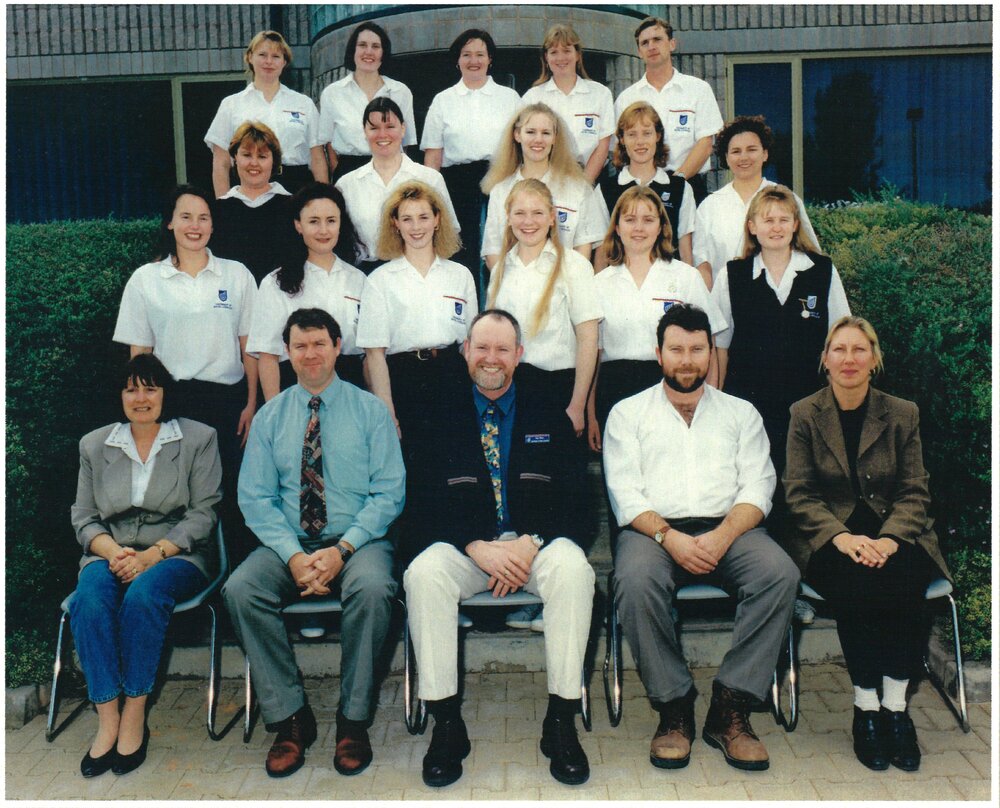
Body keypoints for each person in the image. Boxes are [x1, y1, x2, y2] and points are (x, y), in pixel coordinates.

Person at [603, 303, 800, 772]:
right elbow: (625, 492)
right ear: (658, 354)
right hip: (652, 531)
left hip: (729, 528)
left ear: (712, 352)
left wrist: (723, 534)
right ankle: (673, 708)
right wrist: (670, 537)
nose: (687, 360)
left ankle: (730, 708)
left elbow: (759, 486)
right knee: (633, 582)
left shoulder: (741, 413)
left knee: (780, 574)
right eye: (677, 349)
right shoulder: (627, 413)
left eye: (697, 349)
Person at [404, 309, 596, 788]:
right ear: (466, 351)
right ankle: (446, 723)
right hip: (468, 551)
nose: (492, 359)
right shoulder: (436, 411)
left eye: (503, 349)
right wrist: (475, 546)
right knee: (424, 573)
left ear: (519, 356)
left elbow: (580, 505)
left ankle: (561, 719)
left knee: (574, 570)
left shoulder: (547, 409)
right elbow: (419, 508)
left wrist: (531, 544)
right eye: (482, 348)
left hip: (534, 547)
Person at [223, 307, 405, 779]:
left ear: (338, 347)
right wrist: (294, 555)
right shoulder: (270, 417)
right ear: (287, 352)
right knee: (241, 590)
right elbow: (255, 498)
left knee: (372, 589)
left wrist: (342, 550)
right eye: (300, 346)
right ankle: (289, 718)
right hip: (289, 544)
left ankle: (353, 720)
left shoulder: (370, 411)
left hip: (357, 542)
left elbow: (389, 492)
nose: (310, 354)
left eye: (319, 343)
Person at [784, 316, 951, 773]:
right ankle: (865, 709)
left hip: (896, 531)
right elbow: (798, 493)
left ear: (874, 359)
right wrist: (840, 537)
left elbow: (915, 490)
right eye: (839, 349)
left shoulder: (902, 413)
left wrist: (893, 540)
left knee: (902, 584)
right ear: (825, 359)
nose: (849, 359)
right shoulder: (804, 413)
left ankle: (896, 710)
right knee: (857, 585)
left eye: (860, 350)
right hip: (829, 535)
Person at [70, 354, 222, 778]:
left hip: (177, 554)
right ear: (118, 395)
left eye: (151, 388)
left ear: (165, 393)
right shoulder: (94, 445)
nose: (141, 398)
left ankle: (135, 709)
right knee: (91, 598)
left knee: (144, 593)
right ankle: (107, 719)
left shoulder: (197, 438)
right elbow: (84, 516)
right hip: (110, 552)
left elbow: (204, 513)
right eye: (131, 388)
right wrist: (112, 552)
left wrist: (151, 556)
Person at [113, 184, 257, 562]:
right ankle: (185, 580)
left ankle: (232, 593)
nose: (195, 226)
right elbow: (139, 359)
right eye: (186, 216)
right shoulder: (145, 279)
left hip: (227, 404)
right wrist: (146, 414)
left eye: (204, 218)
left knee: (230, 496)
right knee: (176, 502)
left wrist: (253, 404)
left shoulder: (237, 275)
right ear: (170, 223)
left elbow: (251, 349)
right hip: (170, 404)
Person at [356, 181, 477, 547]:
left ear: (438, 219)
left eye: (424, 216)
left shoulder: (460, 275)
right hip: (404, 381)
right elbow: (374, 353)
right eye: (406, 218)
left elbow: (470, 344)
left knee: (455, 470)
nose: (416, 226)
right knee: (411, 475)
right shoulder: (380, 280)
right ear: (395, 224)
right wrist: (387, 411)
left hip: (452, 378)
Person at [712, 184, 850, 477]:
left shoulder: (822, 271)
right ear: (752, 227)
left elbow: (840, 340)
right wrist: (715, 400)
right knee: (755, 480)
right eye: (768, 220)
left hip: (808, 403)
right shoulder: (731, 275)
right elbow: (719, 348)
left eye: (784, 220)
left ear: (796, 224)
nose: (777, 227)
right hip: (748, 404)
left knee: (804, 482)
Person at [588, 186, 723, 458]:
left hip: (672, 386)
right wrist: (590, 413)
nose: (639, 228)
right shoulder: (598, 283)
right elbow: (593, 356)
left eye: (648, 220)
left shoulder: (686, 277)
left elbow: (710, 346)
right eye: (630, 219)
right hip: (615, 391)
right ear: (616, 227)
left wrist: (710, 405)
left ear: (662, 226)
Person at [248, 183, 366, 399]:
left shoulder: (359, 280)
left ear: (341, 224)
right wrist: (277, 415)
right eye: (313, 221)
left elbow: (368, 354)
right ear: (298, 225)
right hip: (295, 388)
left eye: (331, 221)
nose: (323, 230)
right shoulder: (275, 283)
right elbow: (267, 356)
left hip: (350, 388)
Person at [421, 29, 520, 278]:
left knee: (502, 247)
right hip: (457, 185)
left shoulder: (509, 98)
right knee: (462, 251)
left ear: (490, 59)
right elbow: (433, 157)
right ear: (457, 60)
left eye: (480, 54)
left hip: (501, 178)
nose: (473, 61)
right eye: (466, 55)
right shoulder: (442, 101)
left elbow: (521, 148)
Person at [336, 97, 459, 273]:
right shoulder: (347, 184)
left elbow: (449, 232)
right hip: (365, 275)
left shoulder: (430, 179)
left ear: (403, 129)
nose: (382, 134)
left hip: (418, 272)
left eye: (390, 127)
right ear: (364, 132)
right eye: (374, 128)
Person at [693, 115, 818, 288]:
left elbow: (809, 253)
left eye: (751, 149)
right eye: (736, 151)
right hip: (726, 304)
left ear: (765, 154)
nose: (744, 157)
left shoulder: (786, 198)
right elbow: (702, 264)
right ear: (727, 158)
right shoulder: (709, 207)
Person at [481, 103, 608, 270]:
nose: (538, 139)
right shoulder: (500, 190)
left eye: (546, 133)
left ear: (555, 137)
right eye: (531, 132)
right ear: (517, 135)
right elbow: (493, 251)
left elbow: (583, 247)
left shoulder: (578, 188)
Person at [613, 17, 723, 202]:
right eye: (645, 43)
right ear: (639, 52)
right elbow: (621, 147)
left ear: (672, 44)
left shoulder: (698, 89)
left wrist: (676, 182)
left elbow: (705, 143)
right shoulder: (626, 98)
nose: (651, 46)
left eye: (657, 39)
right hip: (640, 190)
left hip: (688, 185)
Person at [205, 30, 327, 198]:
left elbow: (317, 158)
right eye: (262, 54)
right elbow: (221, 162)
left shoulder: (303, 103)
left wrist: (325, 199)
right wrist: (223, 205)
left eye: (276, 56)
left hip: (296, 188)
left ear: (284, 62)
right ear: (250, 57)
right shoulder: (231, 104)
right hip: (249, 185)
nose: (269, 61)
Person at [597, 101, 696, 269]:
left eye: (647, 133)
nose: (640, 142)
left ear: (657, 136)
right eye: (632, 134)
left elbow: (686, 251)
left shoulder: (680, 188)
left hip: (667, 285)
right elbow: (602, 252)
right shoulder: (606, 189)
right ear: (621, 139)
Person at [320, 21, 417, 182]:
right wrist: (337, 169)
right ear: (353, 50)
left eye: (376, 46)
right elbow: (327, 142)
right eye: (362, 45)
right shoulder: (333, 93)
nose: (369, 52)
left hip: (392, 169)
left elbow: (406, 141)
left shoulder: (401, 92)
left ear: (383, 53)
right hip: (349, 170)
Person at [520, 24, 614, 184]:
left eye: (566, 50)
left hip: (590, 180)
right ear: (546, 58)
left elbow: (603, 146)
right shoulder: (532, 97)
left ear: (577, 54)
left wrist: (584, 185)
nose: (561, 58)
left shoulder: (600, 93)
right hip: (545, 181)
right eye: (554, 52)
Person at [210, 121, 298, 285]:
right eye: (247, 155)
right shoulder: (218, 210)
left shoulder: (294, 207)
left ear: (274, 161)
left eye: (262, 156)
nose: (254, 163)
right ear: (235, 157)